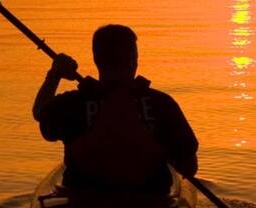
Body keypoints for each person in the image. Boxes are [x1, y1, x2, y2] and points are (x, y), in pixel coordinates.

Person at [33, 24, 199, 192]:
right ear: (134, 60)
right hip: (148, 205)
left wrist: (54, 74)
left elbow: (39, 112)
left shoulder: (72, 103)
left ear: (96, 59)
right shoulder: (162, 104)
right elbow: (189, 167)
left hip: (82, 204)